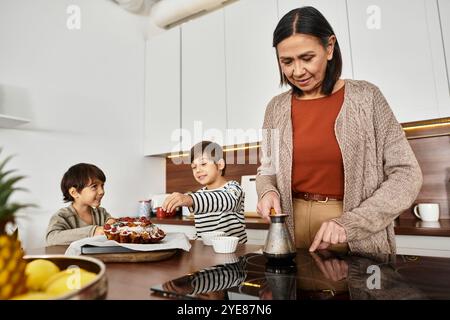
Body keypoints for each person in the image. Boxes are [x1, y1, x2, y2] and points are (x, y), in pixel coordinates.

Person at [256, 6, 422, 254]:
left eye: (307, 58)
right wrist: (266, 192)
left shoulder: (367, 97)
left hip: (354, 232)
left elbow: (407, 174)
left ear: (330, 47)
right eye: (287, 62)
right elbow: (267, 169)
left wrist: (350, 224)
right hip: (291, 231)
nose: (297, 71)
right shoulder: (275, 108)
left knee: (360, 291)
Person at [162, 141, 247, 243]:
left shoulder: (233, 188)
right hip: (207, 253)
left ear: (220, 164)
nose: (198, 170)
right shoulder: (199, 195)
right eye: (194, 167)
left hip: (235, 253)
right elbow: (201, 233)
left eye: (203, 164)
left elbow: (228, 200)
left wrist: (190, 199)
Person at [46, 163, 116, 245]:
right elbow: (51, 238)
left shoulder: (101, 213)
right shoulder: (62, 216)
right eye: (94, 186)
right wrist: (92, 232)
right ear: (74, 192)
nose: (102, 191)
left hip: (98, 257)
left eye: (102, 186)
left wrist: (113, 223)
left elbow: (111, 223)